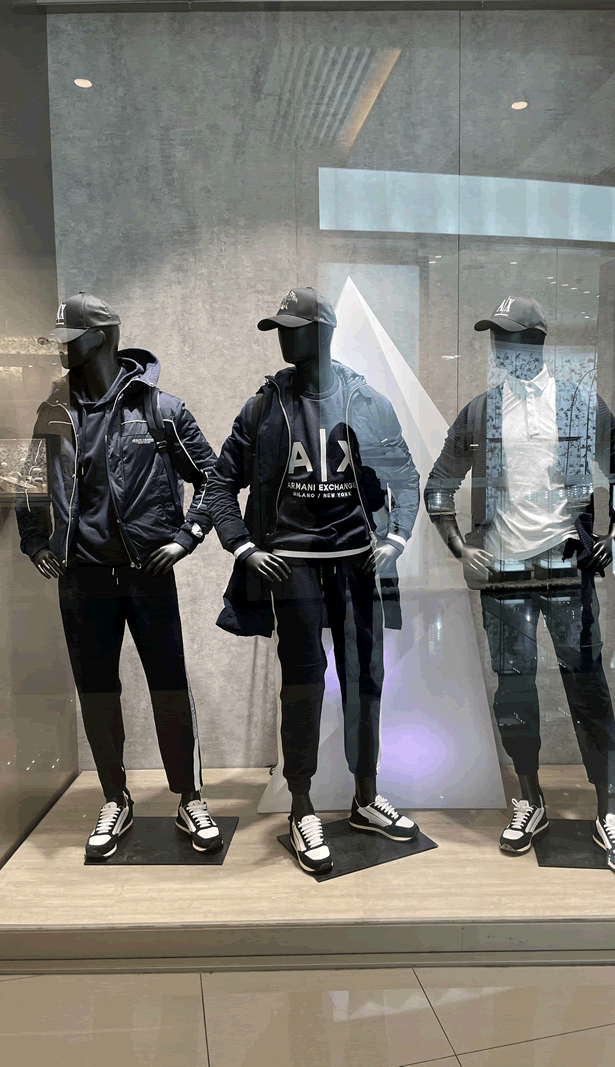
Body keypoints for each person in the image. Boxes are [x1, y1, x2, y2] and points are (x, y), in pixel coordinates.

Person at [206, 287, 420, 875]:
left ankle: (365, 796)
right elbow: (220, 484)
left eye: (293, 327)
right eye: (279, 327)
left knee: (364, 680)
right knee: (302, 683)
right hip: (292, 562)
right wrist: (244, 546)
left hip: (355, 562)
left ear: (322, 332)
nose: (283, 337)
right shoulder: (264, 405)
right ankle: (301, 806)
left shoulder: (364, 399)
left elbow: (405, 475)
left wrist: (397, 538)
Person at [425, 295, 615, 873]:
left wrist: (613, 528)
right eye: (496, 339)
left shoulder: (580, 405)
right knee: (515, 691)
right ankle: (530, 797)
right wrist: (460, 547)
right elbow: (438, 484)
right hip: (506, 575)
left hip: (568, 570)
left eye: (512, 337)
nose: (502, 349)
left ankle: (608, 809)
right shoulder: (481, 412)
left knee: (587, 688)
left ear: (538, 341)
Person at [16, 292, 222, 859]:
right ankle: (115, 798)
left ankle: (189, 796)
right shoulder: (52, 412)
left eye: (71, 338)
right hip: (81, 576)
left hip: (146, 572)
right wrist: (35, 541)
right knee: (97, 690)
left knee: (169, 685)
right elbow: (29, 483)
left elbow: (214, 478)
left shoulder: (160, 410)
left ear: (103, 336)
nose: (61, 349)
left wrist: (187, 537)